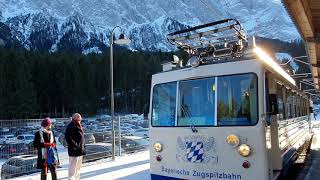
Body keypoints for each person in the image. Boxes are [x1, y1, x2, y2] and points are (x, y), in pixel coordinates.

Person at [65, 113, 85, 180]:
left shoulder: (77, 125)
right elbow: (68, 138)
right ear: (76, 119)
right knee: (73, 167)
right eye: (79, 118)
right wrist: (75, 145)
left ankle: (76, 178)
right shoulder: (71, 126)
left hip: (79, 150)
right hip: (74, 150)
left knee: (78, 168)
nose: (80, 120)